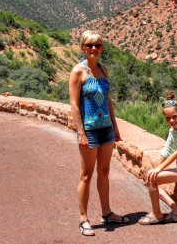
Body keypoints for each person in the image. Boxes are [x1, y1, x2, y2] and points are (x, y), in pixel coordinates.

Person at [69, 30, 129, 236]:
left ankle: (107, 212)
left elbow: (108, 100)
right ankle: (83, 218)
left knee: (104, 172)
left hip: (106, 130)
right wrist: (81, 133)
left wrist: (115, 127)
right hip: (90, 131)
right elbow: (74, 104)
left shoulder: (103, 69)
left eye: (98, 45)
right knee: (86, 175)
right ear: (83, 47)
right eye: (90, 45)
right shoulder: (78, 71)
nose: (94, 49)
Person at [139, 90, 177, 225]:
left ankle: (156, 214)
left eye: (174, 117)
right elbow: (166, 151)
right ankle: (176, 210)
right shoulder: (173, 130)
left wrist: (159, 169)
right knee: (150, 178)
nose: (171, 121)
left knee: (152, 179)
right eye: (167, 118)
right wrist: (157, 169)